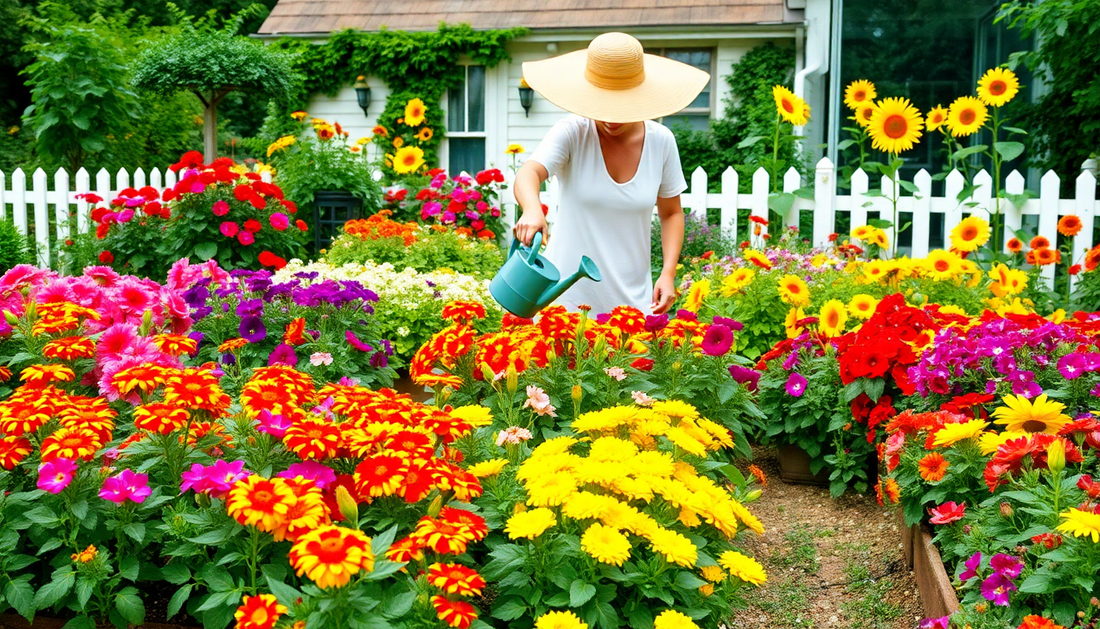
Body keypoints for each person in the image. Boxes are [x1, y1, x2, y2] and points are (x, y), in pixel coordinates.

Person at [512, 32, 709, 315]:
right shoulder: (573, 132)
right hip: (563, 303)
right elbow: (529, 171)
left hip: (632, 305)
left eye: (622, 106)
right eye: (602, 104)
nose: (610, 119)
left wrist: (668, 273)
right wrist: (532, 209)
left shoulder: (661, 141)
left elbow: (671, 213)